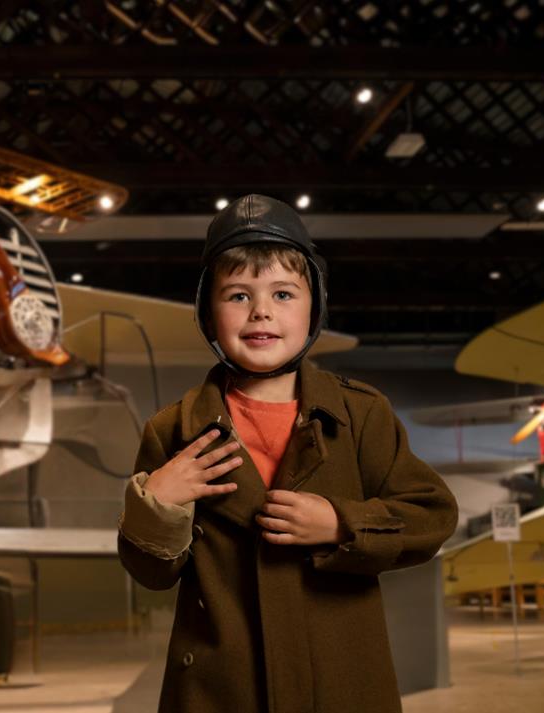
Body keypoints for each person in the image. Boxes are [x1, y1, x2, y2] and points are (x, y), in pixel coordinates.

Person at [117, 194, 458, 713]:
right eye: (236, 296)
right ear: (208, 313)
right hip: (220, 690)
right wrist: (157, 506)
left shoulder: (362, 415)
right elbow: (152, 574)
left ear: (314, 306)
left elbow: (432, 516)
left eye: (283, 293)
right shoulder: (174, 431)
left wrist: (344, 524)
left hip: (341, 685)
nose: (261, 312)